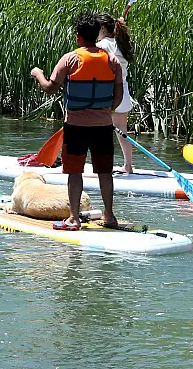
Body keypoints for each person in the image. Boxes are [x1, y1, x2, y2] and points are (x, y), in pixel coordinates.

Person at [30, 12, 125, 230]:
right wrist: (105, 111)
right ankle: (110, 216)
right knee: (105, 172)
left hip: (76, 126)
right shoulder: (111, 60)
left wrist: (38, 73)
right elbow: (118, 97)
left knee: (75, 172)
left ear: (78, 37)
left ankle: (73, 219)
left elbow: (50, 88)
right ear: (97, 34)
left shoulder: (70, 59)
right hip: (102, 126)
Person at [97, 13, 136, 174]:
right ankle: (128, 166)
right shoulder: (121, 44)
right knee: (122, 130)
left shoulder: (102, 45)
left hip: (109, 94)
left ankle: (102, 166)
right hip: (124, 93)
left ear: (103, 29)